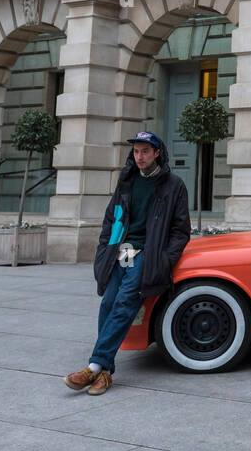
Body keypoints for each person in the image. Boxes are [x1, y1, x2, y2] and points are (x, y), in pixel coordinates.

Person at [63, 131, 191, 395]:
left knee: (124, 303)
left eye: (145, 151)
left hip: (147, 253)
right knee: (108, 303)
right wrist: (103, 249)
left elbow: (181, 230)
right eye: (136, 151)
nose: (140, 156)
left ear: (157, 153)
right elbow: (111, 219)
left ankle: (93, 367)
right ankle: (104, 372)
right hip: (119, 251)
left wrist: (165, 259)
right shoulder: (127, 181)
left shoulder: (173, 185)